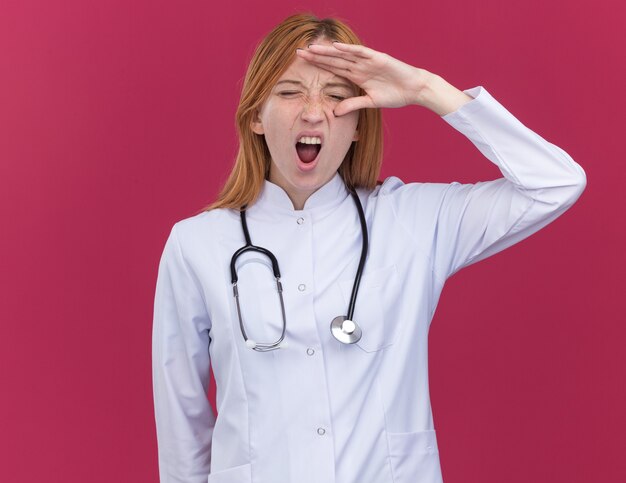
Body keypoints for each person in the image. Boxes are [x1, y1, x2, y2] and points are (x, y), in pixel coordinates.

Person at [151, 13, 586, 483]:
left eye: (337, 97)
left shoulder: (413, 221)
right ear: (256, 116)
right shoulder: (196, 245)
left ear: (359, 124)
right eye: (290, 91)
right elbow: (182, 425)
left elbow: (556, 183)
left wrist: (426, 89)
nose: (313, 111)